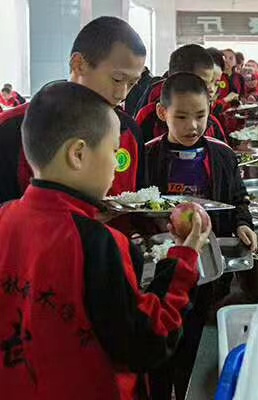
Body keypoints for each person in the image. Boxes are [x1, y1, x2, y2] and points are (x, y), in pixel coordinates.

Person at [0, 81, 211, 400]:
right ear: (79, 154)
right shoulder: (97, 243)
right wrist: (184, 260)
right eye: (114, 151)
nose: (116, 165)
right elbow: (148, 340)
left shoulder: (5, 217)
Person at [145, 72, 256, 399]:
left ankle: (187, 386)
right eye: (181, 117)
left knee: (193, 334)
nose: (192, 126)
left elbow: (238, 196)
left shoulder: (220, 155)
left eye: (200, 116)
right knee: (163, 337)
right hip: (162, 265)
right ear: (163, 113)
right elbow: (137, 202)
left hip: (207, 266)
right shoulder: (149, 155)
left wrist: (242, 223)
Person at [0, 16, 146, 204]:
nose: (122, 94)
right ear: (78, 64)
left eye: (132, 83)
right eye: (117, 79)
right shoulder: (12, 129)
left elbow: (142, 209)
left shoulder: (129, 132)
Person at [135, 45, 227, 144]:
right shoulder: (148, 118)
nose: (209, 90)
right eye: (201, 83)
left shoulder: (211, 123)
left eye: (210, 83)